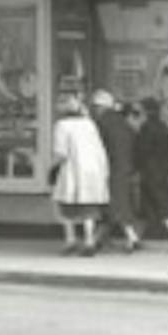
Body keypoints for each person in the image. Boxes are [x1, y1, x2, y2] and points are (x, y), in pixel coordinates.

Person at [49, 90, 110, 255]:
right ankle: (89, 240)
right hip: (93, 170)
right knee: (88, 208)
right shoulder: (90, 124)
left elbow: (61, 153)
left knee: (65, 205)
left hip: (71, 170)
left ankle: (70, 240)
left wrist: (51, 168)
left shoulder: (62, 126)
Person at [90, 89, 141, 252]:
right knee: (117, 201)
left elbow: (98, 146)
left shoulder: (101, 123)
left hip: (110, 167)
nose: (94, 110)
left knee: (116, 202)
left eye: (95, 107)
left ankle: (131, 237)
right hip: (127, 166)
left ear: (99, 107)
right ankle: (98, 238)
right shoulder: (122, 122)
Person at [133, 96, 168, 252]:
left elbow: (141, 152)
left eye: (139, 110)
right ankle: (134, 238)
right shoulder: (163, 127)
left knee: (155, 205)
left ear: (146, 111)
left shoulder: (146, 128)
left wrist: (135, 169)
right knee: (151, 205)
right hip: (162, 172)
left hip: (149, 172)